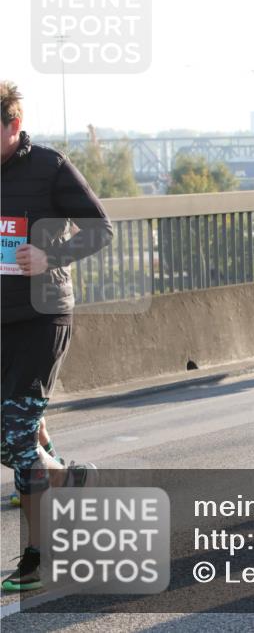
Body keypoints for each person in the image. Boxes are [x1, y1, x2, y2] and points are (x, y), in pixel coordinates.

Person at [1, 81, 113, 592]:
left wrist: (51, 255)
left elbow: (100, 229)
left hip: (41, 318)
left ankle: (38, 554)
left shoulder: (49, 167)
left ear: (14, 125)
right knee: (18, 440)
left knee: (16, 437)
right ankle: (66, 480)